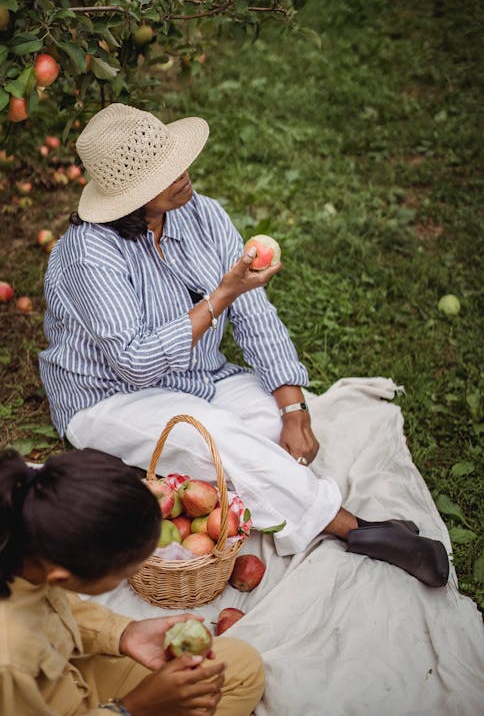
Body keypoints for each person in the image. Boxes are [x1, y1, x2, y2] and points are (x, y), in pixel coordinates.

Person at [38, 102, 449, 587]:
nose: (184, 175)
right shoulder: (89, 253)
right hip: (110, 395)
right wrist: (221, 296)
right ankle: (359, 529)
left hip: (201, 377)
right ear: (131, 196)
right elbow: (134, 365)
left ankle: (175, 482)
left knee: (269, 429)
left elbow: (254, 313)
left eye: (178, 161)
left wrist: (294, 408)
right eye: (167, 173)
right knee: (215, 438)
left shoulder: (204, 214)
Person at [0, 448, 265, 716]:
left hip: (70, 672)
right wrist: (136, 707)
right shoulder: (4, 662)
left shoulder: (24, 542)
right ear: (63, 576)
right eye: (123, 573)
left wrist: (123, 633)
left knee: (241, 667)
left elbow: (57, 607)